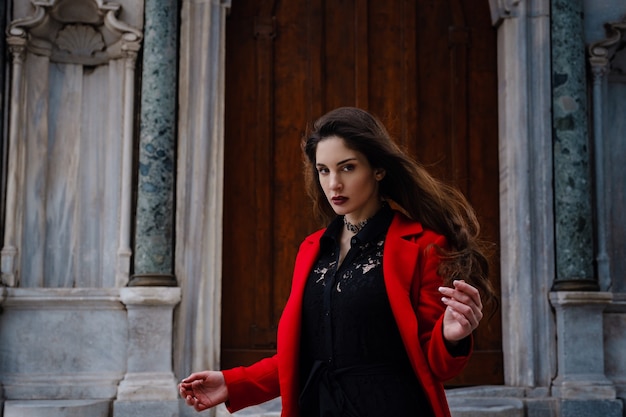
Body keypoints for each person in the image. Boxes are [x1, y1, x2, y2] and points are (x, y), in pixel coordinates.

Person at [179, 107, 497, 417]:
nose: (334, 184)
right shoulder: (311, 250)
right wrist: (232, 383)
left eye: (347, 168)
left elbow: (436, 364)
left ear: (378, 169)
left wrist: (451, 336)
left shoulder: (424, 245)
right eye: (324, 170)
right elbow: (306, 357)